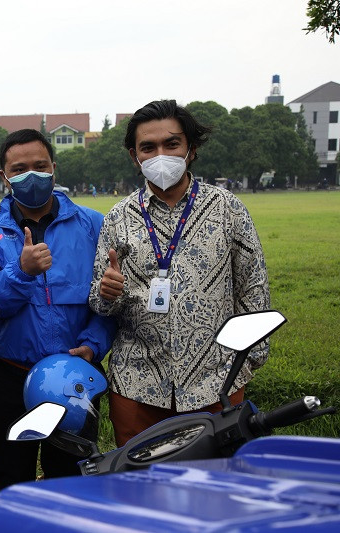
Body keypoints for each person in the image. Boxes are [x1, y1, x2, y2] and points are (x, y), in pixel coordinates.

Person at [89, 100, 271, 447]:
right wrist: (106, 292)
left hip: (216, 382)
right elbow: (100, 304)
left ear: (190, 149)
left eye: (171, 144)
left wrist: (249, 359)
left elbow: (254, 286)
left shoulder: (227, 209)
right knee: (143, 488)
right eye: (149, 147)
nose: (161, 154)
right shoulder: (117, 218)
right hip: (137, 385)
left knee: (212, 488)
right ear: (134, 156)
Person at [0, 129, 116, 496]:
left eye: (39, 165)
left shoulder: (93, 225)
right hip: (10, 375)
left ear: (54, 168)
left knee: (71, 477)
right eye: (19, 169)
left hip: (74, 374)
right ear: (5, 177)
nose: (31, 175)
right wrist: (21, 272)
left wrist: (93, 346)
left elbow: (107, 301)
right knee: (10, 476)